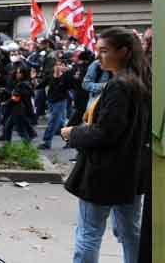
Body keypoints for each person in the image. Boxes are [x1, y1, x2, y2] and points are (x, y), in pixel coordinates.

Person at [60, 28, 150, 263]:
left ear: (123, 52)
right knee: (130, 232)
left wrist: (73, 133)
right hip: (131, 172)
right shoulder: (141, 80)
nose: (98, 56)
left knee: (89, 234)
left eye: (104, 51)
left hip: (104, 172)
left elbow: (106, 132)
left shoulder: (119, 85)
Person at [40, 58, 75, 149]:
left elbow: (73, 86)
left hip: (60, 101)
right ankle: (70, 140)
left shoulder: (66, 77)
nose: (57, 67)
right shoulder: (50, 76)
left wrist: (69, 73)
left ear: (63, 66)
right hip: (51, 101)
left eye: (60, 65)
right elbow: (41, 85)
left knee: (53, 121)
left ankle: (47, 142)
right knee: (60, 123)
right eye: (56, 65)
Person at [0, 66, 36, 143]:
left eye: (19, 72)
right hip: (18, 109)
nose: (17, 74)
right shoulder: (25, 84)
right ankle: (7, 146)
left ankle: (27, 148)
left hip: (19, 110)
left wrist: (6, 103)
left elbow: (16, 98)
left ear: (23, 74)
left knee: (21, 131)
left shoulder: (22, 85)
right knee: (8, 127)